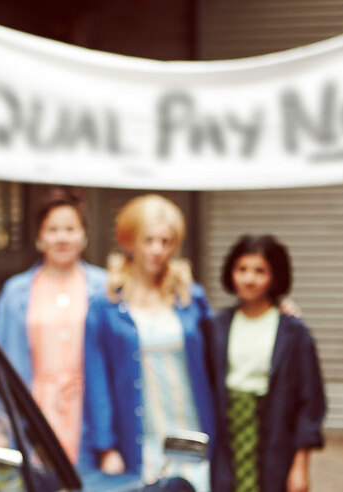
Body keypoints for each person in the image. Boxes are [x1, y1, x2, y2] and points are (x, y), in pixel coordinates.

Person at [83, 194, 215, 491]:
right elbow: (96, 379)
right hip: (141, 436)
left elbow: (221, 349)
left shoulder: (190, 298)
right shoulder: (105, 305)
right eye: (149, 240)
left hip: (192, 430)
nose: (158, 250)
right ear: (131, 241)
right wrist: (106, 447)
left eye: (166, 241)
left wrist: (278, 309)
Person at [0, 187, 107, 463]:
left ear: (84, 235)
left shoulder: (104, 288)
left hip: (89, 410)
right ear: (40, 237)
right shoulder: (16, 292)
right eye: (53, 229)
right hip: (37, 408)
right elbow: (1, 363)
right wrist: (0, 426)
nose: (62, 237)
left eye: (70, 228)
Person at [204, 235, 325, 492]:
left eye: (260, 271)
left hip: (274, 437)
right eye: (242, 269)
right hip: (228, 438)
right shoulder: (216, 326)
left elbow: (310, 401)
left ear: (275, 276)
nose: (249, 278)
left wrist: (300, 465)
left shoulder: (293, 332)